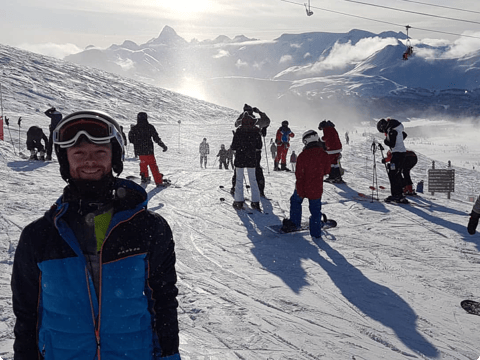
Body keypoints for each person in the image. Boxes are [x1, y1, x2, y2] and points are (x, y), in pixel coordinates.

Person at [11, 110, 181, 360]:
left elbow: (163, 301)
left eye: (100, 152)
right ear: (65, 160)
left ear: (115, 158)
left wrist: (169, 355)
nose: (89, 161)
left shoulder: (148, 228)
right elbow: (27, 315)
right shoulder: (39, 235)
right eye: (79, 153)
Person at [281, 130, 331, 238]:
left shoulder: (303, 155)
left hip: (303, 186)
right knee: (315, 210)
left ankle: (295, 223)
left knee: (295, 201)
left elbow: (299, 174)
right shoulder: (324, 154)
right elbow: (327, 170)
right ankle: (316, 232)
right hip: (316, 187)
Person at [231, 104, 270, 197]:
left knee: (238, 170)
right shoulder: (257, 121)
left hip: (241, 150)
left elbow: (236, 124)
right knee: (256, 170)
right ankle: (259, 190)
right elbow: (267, 121)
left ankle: (235, 188)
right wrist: (259, 112)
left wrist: (243, 114)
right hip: (255, 150)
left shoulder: (241, 121)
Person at [230, 111, 263, 211]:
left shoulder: (239, 131)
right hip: (251, 158)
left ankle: (238, 201)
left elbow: (233, 146)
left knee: (239, 179)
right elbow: (259, 146)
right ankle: (255, 202)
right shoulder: (255, 131)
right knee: (253, 180)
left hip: (240, 157)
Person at [128, 112, 168, 186]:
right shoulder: (150, 127)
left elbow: (131, 140)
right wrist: (163, 146)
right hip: (149, 150)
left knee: (143, 164)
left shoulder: (135, 128)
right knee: (153, 165)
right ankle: (158, 181)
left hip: (140, 151)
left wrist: (131, 133)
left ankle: (144, 177)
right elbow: (156, 138)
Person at [377, 117, 408, 203]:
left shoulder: (392, 131)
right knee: (396, 174)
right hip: (401, 153)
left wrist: (386, 141)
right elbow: (404, 135)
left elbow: (392, 143)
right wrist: (400, 141)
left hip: (397, 154)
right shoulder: (397, 128)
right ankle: (400, 194)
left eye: (383, 131)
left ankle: (396, 195)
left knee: (393, 174)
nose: (384, 133)